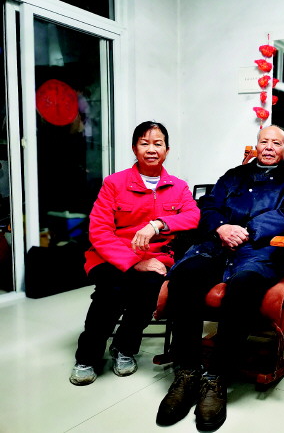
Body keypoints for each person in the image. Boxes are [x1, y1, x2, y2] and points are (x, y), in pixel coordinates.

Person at [155, 125, 284, 431]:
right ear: (256, 146)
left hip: (260, 252)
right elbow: (208, 206)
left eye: (276, 143)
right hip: (216, 247)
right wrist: (221, 228)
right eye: (263, 141)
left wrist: (247, 231)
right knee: (185, 276)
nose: (268, 147)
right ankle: (188, 371)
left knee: (243, 286)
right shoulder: (234, 175)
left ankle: (216, 376)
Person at [69, 121, 200, 386]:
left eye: (158, 143)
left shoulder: (178, 186)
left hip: (156, 257)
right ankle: (87, 356)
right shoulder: (114, 183)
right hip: (110, 255)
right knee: (110, 292)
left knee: (147, 291)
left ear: (167, 150)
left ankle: (124, 348)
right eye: (144, 143)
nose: (151, 149)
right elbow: (99, 232)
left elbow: (193, 216)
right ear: (134, 148)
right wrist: (133, 262)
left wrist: (158, 224)